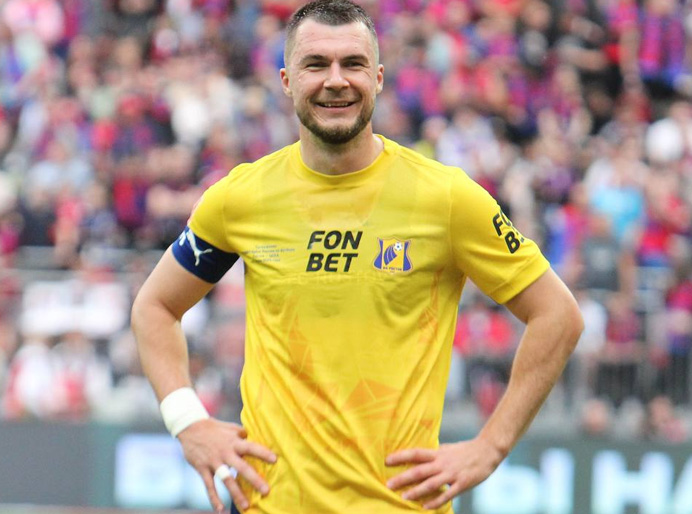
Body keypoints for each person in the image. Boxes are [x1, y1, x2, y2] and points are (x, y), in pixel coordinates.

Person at [130, 1, 584, 513]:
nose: (336, 80)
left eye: (353, 64)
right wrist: (188, 421)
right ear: (286, 81)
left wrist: (491, 447)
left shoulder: (446, 198)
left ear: (379, 78)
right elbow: (155, 307)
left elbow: (557, 315)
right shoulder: (240, 198)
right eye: (315, 64)